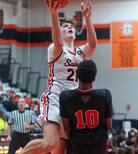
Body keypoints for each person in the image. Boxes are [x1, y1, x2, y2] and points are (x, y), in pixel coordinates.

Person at [21, 0, 97, 153]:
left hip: (72, 104)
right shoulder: (55, 49)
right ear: (59, 31)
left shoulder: (80, 52)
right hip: (55, 98)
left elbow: (93, 44)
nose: (69, 27)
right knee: (50, 143)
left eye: (71, 26)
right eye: (65, 27)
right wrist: (54, 14)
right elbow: (58, 42)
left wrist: (88, 19)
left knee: (59, 149)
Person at [59, 60, 113, 154]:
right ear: (94, 78)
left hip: (76, 146)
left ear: (77, 76)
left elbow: (66, 127)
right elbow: (109, 125)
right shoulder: (105, 95)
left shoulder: (65, 97)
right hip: (98, 146)